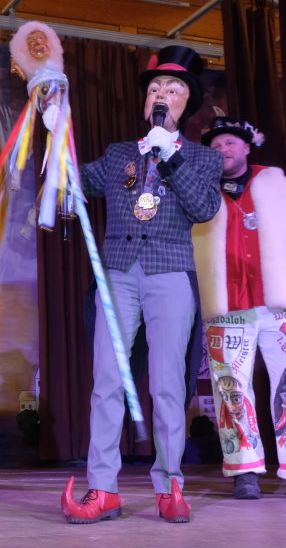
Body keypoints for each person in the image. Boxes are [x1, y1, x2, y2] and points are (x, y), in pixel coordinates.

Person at [61, 47, 223, 524]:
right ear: (145, 100)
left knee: (169, 385)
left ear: (186, 103)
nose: (161, 94)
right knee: (108, 383)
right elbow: (71, 183)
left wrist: (169, 155)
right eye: (154, 88)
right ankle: (103, 489)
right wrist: (53, 130)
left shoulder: (202, 158)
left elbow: (204, 208)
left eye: (172, 89)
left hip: (169, 272)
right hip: (117, 273)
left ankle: (170, 487)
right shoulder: (118, 155)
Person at [193, 116, 286, 500]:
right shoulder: (200, 190)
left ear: (246, 147)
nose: (223, 150)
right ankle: (245, 470)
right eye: (215, 146)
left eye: (229, 143)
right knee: (231, 388)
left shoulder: (274, 183)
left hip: (278, 301)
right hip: (225, 304)